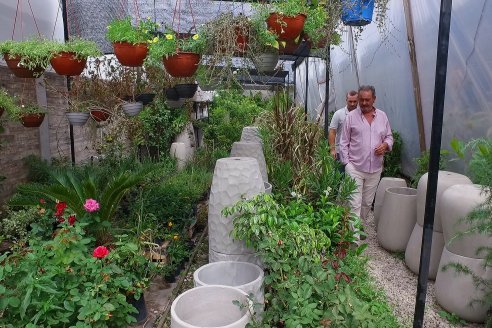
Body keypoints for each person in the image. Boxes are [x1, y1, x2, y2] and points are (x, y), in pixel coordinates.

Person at [339, 85, 393, 221]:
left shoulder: (382, 116)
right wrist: (346, 164)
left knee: (367, 203)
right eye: (361, 100)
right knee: (354, 204)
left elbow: (389, 136)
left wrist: (386, 145)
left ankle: (358, 227)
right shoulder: (351, 117)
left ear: (374, 99)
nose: (363, 103)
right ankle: (354, 240)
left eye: (367, 100)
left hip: (375, 169)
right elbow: (343, 142)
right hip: (355, 168)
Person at [328, 90, 358, 160]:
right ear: (346, 100)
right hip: (340, 152)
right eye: (350, 101)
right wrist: (332, 149)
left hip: (356, 153)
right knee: (340, 170)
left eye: (355, 101)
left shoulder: (361, 114)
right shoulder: (338, 114)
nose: (352, 104)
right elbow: (332, 132)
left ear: (358, 101)